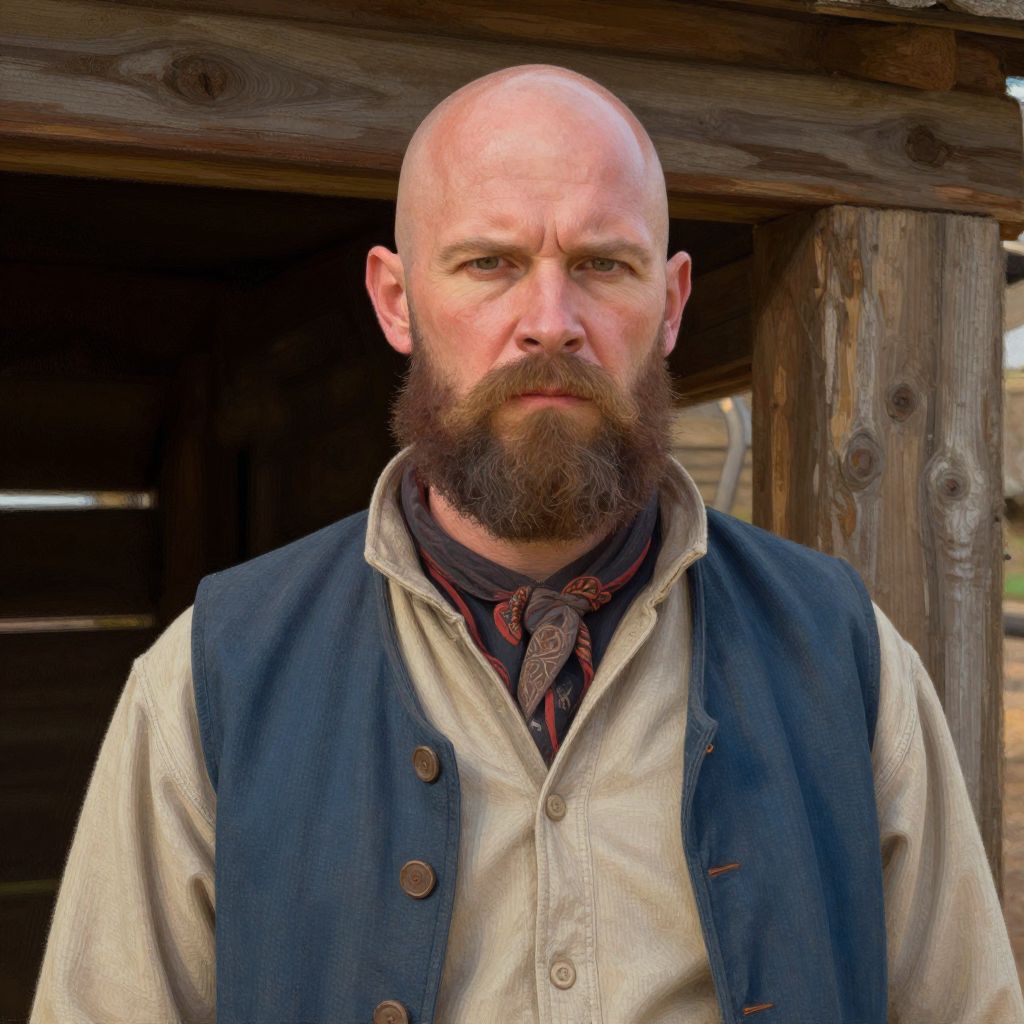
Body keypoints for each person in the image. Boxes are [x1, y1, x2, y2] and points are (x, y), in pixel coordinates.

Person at [31, 65, 1023, 1024]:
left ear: (671, 303)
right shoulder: (211, 677)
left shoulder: (846, 657)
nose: (551, 324)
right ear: (395, 299)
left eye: (601, 264)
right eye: (490, 263)